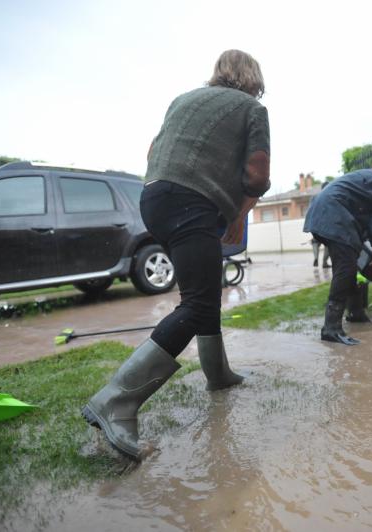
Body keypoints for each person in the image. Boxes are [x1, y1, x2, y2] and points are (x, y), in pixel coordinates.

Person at [82, 50, 271, 459]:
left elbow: (153, 150)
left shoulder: (182, 100)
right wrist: (238, 216)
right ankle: (116, 401)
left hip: (154, 197)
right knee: (200, 300)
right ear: (252, 78)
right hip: (193, 202)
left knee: (201, 292)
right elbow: (257, 175)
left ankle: (218, 374)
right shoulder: (252, 108)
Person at [303, 164, 372, 345]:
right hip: (332, 215)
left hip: (321, 212)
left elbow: (364, 219)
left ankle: (355, 312)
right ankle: (331, 328)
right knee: (345, 269)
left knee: (350, 265)